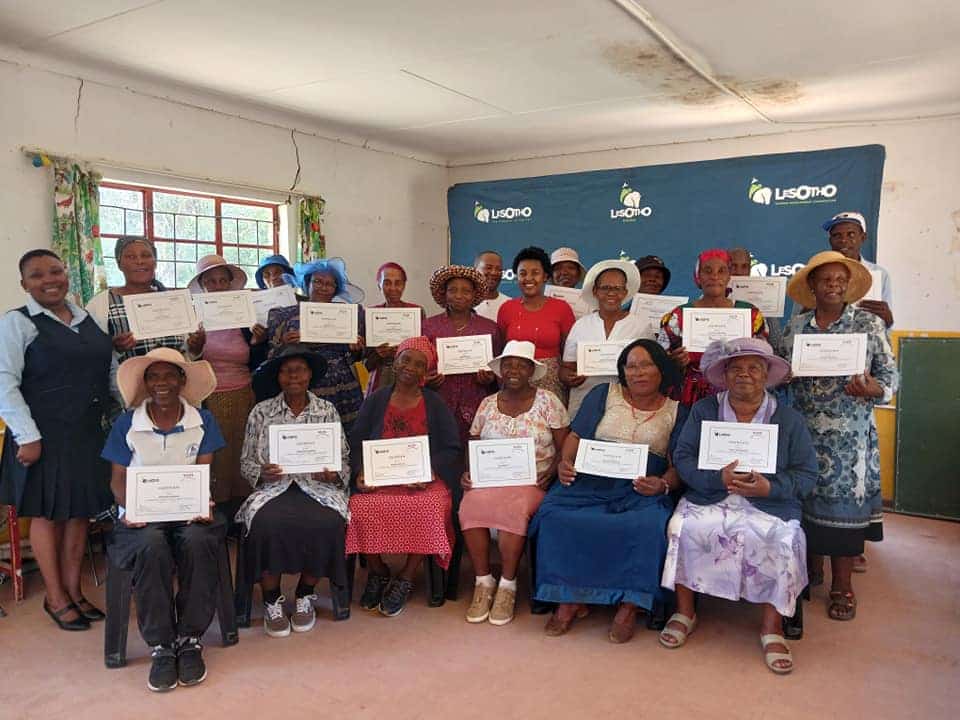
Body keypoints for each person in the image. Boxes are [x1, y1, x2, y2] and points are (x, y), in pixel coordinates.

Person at [661, 338, 818, 674]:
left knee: (783, 539)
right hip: (711, 494)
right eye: (736, 368)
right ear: (725, 374)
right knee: (683, 525)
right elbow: (683, 457)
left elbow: (807, 474)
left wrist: (770, 487)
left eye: (753, 368)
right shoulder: (704, 410)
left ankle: (772, 627)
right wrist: (716, 478)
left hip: (770, 503)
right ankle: (685, 612)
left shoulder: (788, 418)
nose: (744, 374)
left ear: (766, 375)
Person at [531, 339, 685, 643]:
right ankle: (568, 597)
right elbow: (576, 436)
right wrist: (565, 463)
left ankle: (630, 603)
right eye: (631, 366)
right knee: (554, 515)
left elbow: (678, 465)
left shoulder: (678, 410)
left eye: (646, 365)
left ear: (661, 369)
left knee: (648, 524)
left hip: (640, 488)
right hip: (589, 480)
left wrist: (663, 484)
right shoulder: (604, 393)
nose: (638, 372)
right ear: (622, 371)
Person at [780, 251, 897, 622]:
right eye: (825, 280)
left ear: (848, 286)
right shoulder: (795, 328)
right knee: (804, 503)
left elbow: (891, 378)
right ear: (812, 286)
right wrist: (784, 376)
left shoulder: (868, 324)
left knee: (842, 512)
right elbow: (779, 373)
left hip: (849, 440)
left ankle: (842, 586)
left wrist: (874, 389)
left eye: (840, 280)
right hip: (802, 435)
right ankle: (811, 570)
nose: (833, 286)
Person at [0, 250, 114, 631]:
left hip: (86, 431)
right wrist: (27, 436)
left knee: (79, 512)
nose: (49, 279)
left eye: (55, 271)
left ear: (66, 274)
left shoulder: (87, 319)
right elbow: (4, 383)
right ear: (24, 284)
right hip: (41, 434)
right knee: (48, 514)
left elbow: (108, 370)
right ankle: (55, 597)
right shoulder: (18, 323)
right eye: (37, 275)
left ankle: (74, 590)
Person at [101, 348, 224, 692]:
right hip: (140, 516)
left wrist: (203, 501)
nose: (162, 383)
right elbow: (117, 481)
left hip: (188, 510)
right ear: (145, 384)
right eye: (153, 376)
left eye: (170, 375)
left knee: (198, 541)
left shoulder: (203, 420)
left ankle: (190, 638)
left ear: (182, 381)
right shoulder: (128, 423)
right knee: (151, 545)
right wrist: (130, 509)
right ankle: (161, 645)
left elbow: (203, 473)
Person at [237, 345, 350, 638]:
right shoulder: (261, 412)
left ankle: (305, 593)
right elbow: (246, 461)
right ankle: (271, 598)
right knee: (264, 523)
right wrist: (261, 472)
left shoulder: (326, 410)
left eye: (300, 370)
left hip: (319, 488)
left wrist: (333, 473)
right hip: (273, 489)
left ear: (310, 375)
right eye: (286, 371)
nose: (293, 376)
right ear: (278, 377)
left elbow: (343, 459)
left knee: (328, 522)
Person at [346, 337, 462, 617]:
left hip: (421, 479)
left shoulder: (434, 403)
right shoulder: (376, 400)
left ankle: (407, 576)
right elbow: (357, 440)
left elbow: (451, 447)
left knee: (429, 507)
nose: (411, 367)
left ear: (426, 371)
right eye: (406, 360)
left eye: (419, 364)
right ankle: (378, 570)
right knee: (359, 506)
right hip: (380, 476)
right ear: (395, 363)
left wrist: (430, 471)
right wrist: (361, 472)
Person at [460, 341, 569, 626]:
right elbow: (473, 443)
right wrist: (469, 472)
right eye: (508, 365)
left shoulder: (548, 401)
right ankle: (483, 581)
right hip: (490, 481)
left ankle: (508, 585)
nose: (514, 370)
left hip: (531, 482)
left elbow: (565, 446)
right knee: (470, 505)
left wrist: (553, 471)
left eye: (521, 365)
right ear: (500, 370)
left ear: (532, 371)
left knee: (513, 510)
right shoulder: (487, 403)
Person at [187, 255, 267, 518]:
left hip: (244, 393)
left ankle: (242, 513)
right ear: (203, 285)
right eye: (211, 281)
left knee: (244, 451)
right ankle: (216, 512)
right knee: (216, 455)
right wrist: (196, 347)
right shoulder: (194, 317)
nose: (218, 285)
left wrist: (257, 343)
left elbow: (258, 361)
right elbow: (188, 360)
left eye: (223, 280)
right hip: (208, 396)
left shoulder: (245, 317)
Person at [86, 237, 205, 391]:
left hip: (174, 392)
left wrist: (196, 346)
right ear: (119, 264)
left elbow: (189, 353)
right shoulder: (101, 303)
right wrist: (113, 347)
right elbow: (89, 352)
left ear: (155, 262)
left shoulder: (174, 301)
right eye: (131, 257)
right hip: (129, 392)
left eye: (146, 255)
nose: (139, 261)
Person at [266, 258, 365, 433]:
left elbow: (358, 356)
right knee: (309, 437)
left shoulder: (346, 314)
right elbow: (271, 355)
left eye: (329, 284)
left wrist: (356, 348)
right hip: (303, 384)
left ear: (336, 289)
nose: (323, 287)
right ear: (307, 283)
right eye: (318, 281)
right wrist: (284, 344)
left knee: (345, 435)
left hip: (343, 387)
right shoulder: (285, 315)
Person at [657, 249, 768, 405]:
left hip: (740, 394)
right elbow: (660, 360)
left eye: (721, 271)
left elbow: (763, 357)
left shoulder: (751, 315)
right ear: (698, 276)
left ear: (729, 276)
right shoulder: (678, 316)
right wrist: (675, 362)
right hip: (691, 396)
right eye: (707, 271)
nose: (714, 276)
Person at [422, 265, 503, 444]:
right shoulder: (428, 326)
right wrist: (426, 380)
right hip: (439, 400)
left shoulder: (489, 328)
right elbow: (419, 366)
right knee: (440, 451)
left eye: (466, 291)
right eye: (453, 290)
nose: (459, 296)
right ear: (444, 293)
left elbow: (499, 368)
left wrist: (490, 379)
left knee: (474, 451)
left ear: (474, 295)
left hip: (478, 402)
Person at [560, 260, 646, 418]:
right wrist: (569, 378)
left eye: (617, 288)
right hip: (584, 405)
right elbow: (566, 368)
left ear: (625, 292)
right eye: (605, 288)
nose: (611, 293)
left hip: (627, 407)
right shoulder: (581, 325)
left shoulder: (640, 326)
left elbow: (651, 367)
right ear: (595, 291)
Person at [497, 246, 575, 404]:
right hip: (515, 380)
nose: (528, 278)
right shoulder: (506, 309)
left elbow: (569, 350)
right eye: (523, 273)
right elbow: (502, 348)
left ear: (545, 276)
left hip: (551, 381)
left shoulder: (562, 308)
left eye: (535, 273)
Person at [364, 262, 426, 394]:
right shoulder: (370, 314)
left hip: (410, 377)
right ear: (379, 285)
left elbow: (425, 352)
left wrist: (406, 352)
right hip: (380, 379)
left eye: (398, 283)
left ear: (404, 285)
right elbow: (366, 365)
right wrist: (377, 354)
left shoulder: (417, 312)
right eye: (387, 283)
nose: (393, 288)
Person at [823, 211, 894, 327]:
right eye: (837, 235)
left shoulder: (879, 274)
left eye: (851, 235)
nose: (843, 240)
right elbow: (797, 323)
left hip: (867, 337)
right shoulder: (815, 273)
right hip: (824, 337)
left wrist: (888, 320)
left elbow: (886, 326)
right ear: (830, 240)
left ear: (863, 237)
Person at [728, 246, 782, 350]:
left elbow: (777, 343)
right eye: (733, 266)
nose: (739, 272)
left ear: (749, 269)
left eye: (744, 267)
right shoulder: (710, 297)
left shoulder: (764, 297)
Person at [474, 250, 511, 322]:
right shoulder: (465, 304)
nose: (494, 272)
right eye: (488, 268)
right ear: (476, 270)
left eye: (498, 269)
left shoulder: (510, 305)